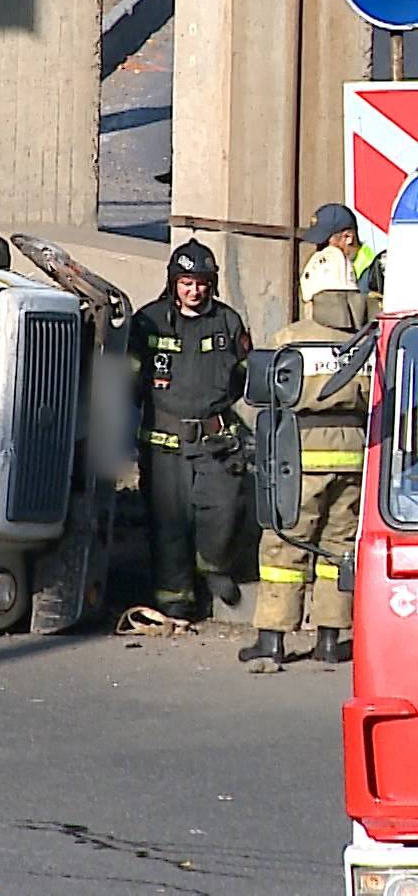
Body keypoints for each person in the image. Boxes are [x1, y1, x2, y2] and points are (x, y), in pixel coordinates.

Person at [242, 246, 370, 665]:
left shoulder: (292, 338)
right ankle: (330, 641)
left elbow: (265, 394)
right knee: (339, 547)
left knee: (285, 545)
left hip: (300, 459)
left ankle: (273, 640)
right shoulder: (369, 337)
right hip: (354, 459)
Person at [129, 239, 252, 619]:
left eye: (200, 283)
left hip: (216, 440)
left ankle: (213, 566)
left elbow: (243, 377)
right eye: (185, 283)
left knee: (224, 509)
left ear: (210, 283)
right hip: (163, 444)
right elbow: (130, 380)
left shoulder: (228, 322)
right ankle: (175, 598)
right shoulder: (148, 322)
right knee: (169, 524)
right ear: (173, 282)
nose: (193, 291)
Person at [303, 202, 378, 286]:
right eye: (318, 245)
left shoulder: (375, 275)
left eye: (325, 244)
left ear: (348, 237)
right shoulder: (325, 272)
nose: (320, 250)